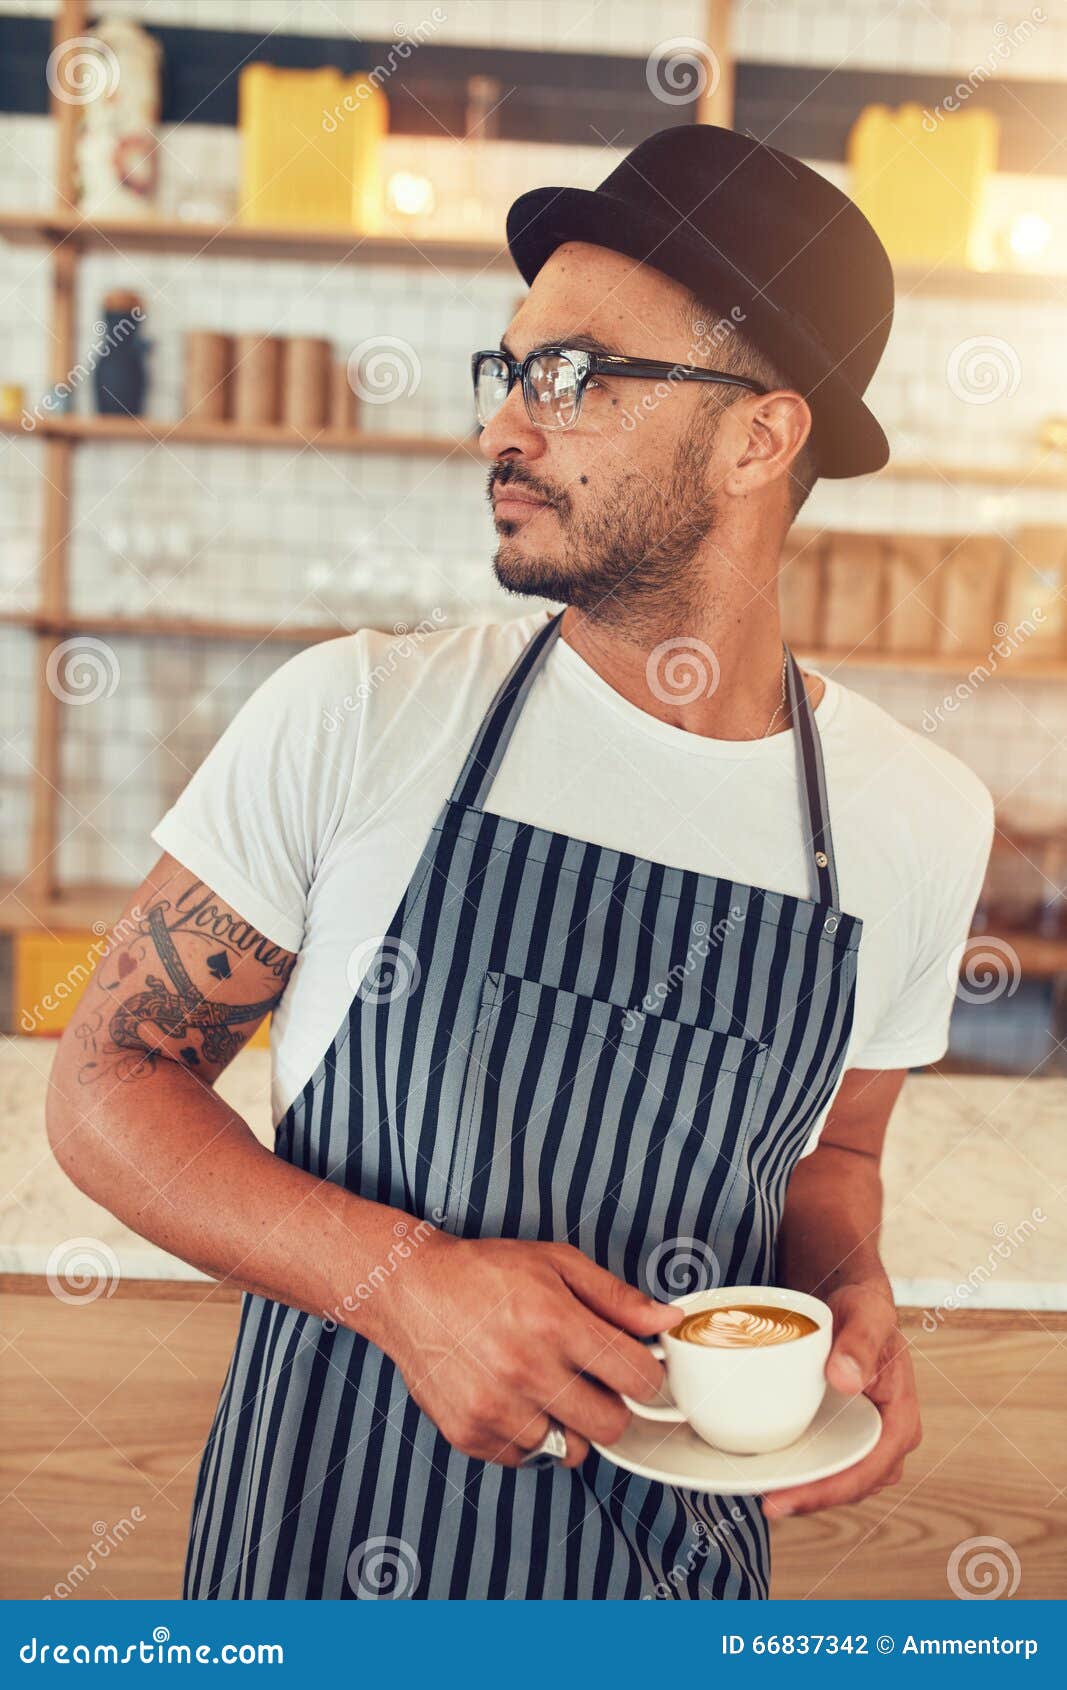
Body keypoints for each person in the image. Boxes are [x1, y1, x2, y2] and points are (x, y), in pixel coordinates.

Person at [48, 126, 994, 1600]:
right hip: (314, 1566)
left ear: (760, 438)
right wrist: (404, 1282)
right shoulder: (361, 713)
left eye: (573, 375)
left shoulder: (916, 820)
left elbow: (836, 1152)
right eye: (510, 372)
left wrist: (849, 1289)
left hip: (664, 1596)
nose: (501, 427)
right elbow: (106, 1086)